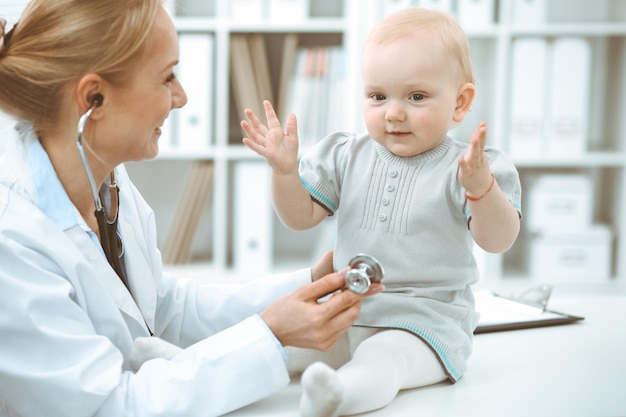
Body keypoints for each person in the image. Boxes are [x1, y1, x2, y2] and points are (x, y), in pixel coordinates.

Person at [0, 1, 383, 416]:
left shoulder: (105, 178)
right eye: (167, 77)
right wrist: (270, 334)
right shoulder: (13, 237)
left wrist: (309, 283)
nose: (181, 98)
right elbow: (110, 406)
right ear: (94, 97)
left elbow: (163, 310)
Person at [241, 7, 522, 417]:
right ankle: (184, 365)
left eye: (417, 96)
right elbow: (298, 218)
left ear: (460, 103)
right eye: (378, 96)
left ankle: (340, 397)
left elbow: (498, 241)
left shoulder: (473, 168)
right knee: (280, 343)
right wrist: (285, 173)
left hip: (425, 324)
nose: (393, 112)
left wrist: (481, 190)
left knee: (382, 359)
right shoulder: (346, 154)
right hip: (348, 308)